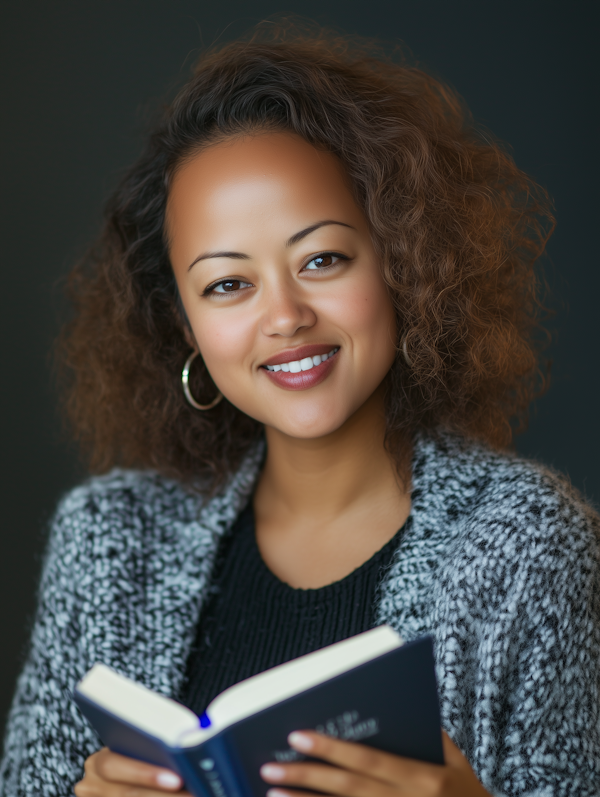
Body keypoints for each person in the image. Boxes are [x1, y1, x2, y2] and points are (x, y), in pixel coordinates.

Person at [1, 23, 598, 797]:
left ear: (401, 263)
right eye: (227, 284)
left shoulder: (531, 546)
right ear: (186, 324)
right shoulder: (106, 539)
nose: (284, 316)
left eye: (322, 259)